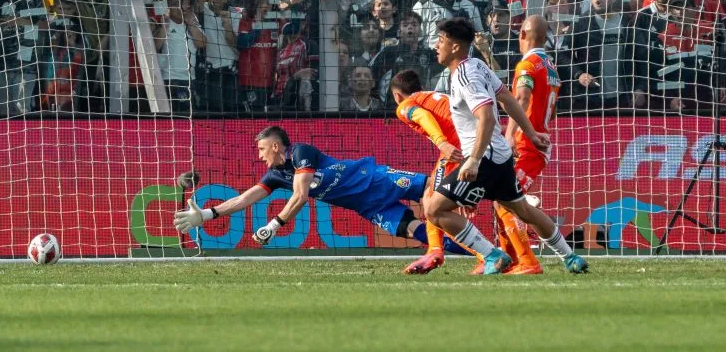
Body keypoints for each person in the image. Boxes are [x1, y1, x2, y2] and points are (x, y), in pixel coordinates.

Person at [422, 17, 588, 275]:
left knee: (434, 209)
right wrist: (531, 133)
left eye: (441, 40)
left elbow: (487, 117)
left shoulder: (465, 76)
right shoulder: (477, 65)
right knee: (521, 208)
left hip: (485, 157)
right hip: (501, 156)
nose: (436, 45)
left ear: (455, 46)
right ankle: (570, 257)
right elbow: (507, 98)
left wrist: (473, 160)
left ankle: (492, 255)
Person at [173, 125, 449, 250]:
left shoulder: (300, 152)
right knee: (415, 231)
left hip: (376, 179)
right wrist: (207, 214)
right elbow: (244, 199)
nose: (259, 155)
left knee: (435, 192)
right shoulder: (275, 175)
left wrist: (274, 225)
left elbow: (300, 195)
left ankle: (474, 195)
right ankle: (471, 250)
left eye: (261, 149)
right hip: (368, 206)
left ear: (275, 146)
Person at [494, 14, 561, 275]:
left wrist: (510, 133)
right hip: (538, 140)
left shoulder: (527, 65)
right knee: (502, 199)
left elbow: (521, 99)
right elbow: (550, 111)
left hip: (527, 144)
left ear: (522, 34)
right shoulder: (551, 67)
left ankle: (526, 260)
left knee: (506, 201)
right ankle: (505, 260)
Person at [390, 69, 464, 275]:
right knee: (431, 195)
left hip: (457, 148)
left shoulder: (405, 105)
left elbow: (422, 115)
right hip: (477, 143)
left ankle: (487, 254)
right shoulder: (433, 96)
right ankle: (435, 250)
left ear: (397, 96)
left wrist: (442, 143)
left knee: (432, 202)